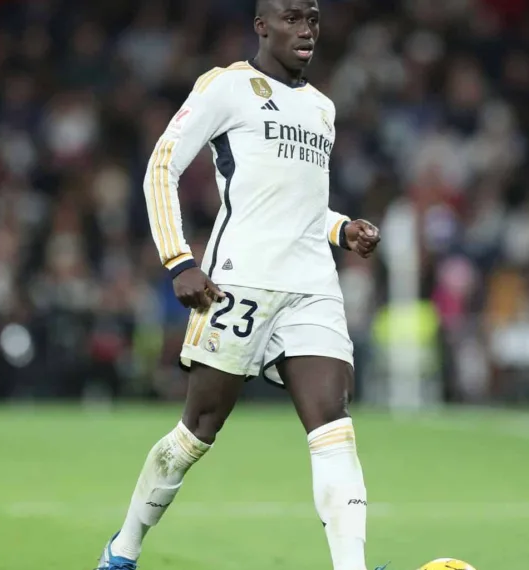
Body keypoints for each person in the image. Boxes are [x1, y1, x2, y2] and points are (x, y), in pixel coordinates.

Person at [95, 1, 382, 569]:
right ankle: (122, 551)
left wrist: (341, 228)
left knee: (332, 416)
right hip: (241, 284)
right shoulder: (227, 87)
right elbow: (162, 165)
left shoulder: (321, 107)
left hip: (313, 286)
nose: (306, 30)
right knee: (198, 430)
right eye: (293, 18)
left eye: (314, 19)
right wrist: (179, 260)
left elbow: (299, 204)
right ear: (262, 26)